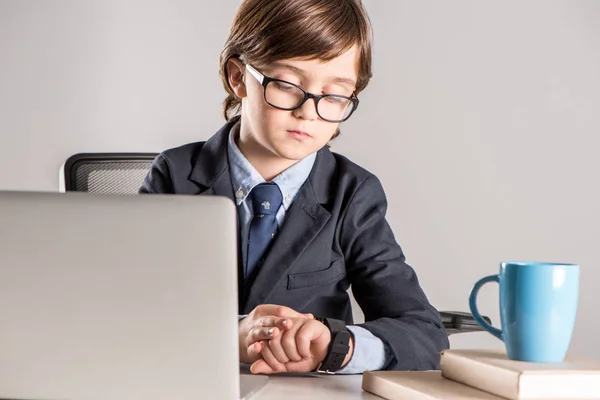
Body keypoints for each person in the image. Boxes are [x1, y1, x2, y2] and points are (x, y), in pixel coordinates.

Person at [139, 0, 449, 374]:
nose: (308, 111)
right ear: (238, 77)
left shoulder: (352, 193)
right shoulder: (174, 174)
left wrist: (336, 346)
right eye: (288, 85)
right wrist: (228, 336)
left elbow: (425, 333)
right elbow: (130, 309)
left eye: (334, 96)